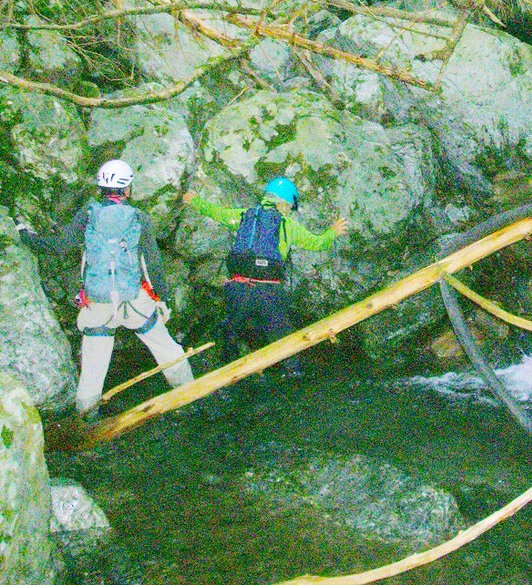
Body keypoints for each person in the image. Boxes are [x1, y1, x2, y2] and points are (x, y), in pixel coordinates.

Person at [16, 159, 194, 414]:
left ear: (101, 187)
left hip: (97, 303)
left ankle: (87, 422)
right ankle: (188, 400)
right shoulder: (139, 218)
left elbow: (58, 247)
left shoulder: (88, 214)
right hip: (134, 302)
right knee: (168, 349)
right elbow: (152, 263)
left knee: (93, 369)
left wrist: (24, 234)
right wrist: (163, 299)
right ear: (128, 189)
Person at [182, 177, 348, 376]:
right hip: (268, 294)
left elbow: (216, 212)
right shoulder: (288, 225)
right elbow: (317, 243)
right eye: (289, 207)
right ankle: (293, 376)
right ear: (285, 204)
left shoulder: (244, 216)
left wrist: (194, 200)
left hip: (237, 290)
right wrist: (333, 232)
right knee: (284, 341)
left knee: (231, 334)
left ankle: (226, 377)